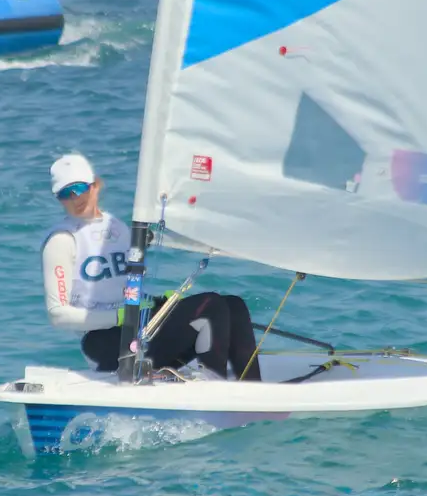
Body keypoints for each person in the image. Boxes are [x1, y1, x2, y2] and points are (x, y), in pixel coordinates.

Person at [40, 153, 262, 380]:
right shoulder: (62, 240)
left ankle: (253, 387)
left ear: (96, 185)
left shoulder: (117, 228)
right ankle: (212, 388)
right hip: (104, 342)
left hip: (139, 328)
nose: (75, 198)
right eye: (65, 194)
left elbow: (126, 286)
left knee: (233, 305)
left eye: (79, 188)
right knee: (210, 305)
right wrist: (119, 317)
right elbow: (58, 315)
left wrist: (155, 301)